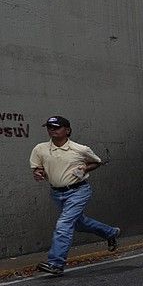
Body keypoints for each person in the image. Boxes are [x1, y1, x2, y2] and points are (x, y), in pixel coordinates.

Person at [29, 116, 121, 276]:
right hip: (57, 193)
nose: (52, 130)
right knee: (79, 224)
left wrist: (84, 169)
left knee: (63, 224)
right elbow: (37, 168)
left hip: (79, 191)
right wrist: (38, 173)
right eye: (49, 127)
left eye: (56, 127)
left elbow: (96, 162)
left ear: (67, 130)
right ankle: (111, 232)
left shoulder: (80, 149)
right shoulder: (40, 149)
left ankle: (56, 263)